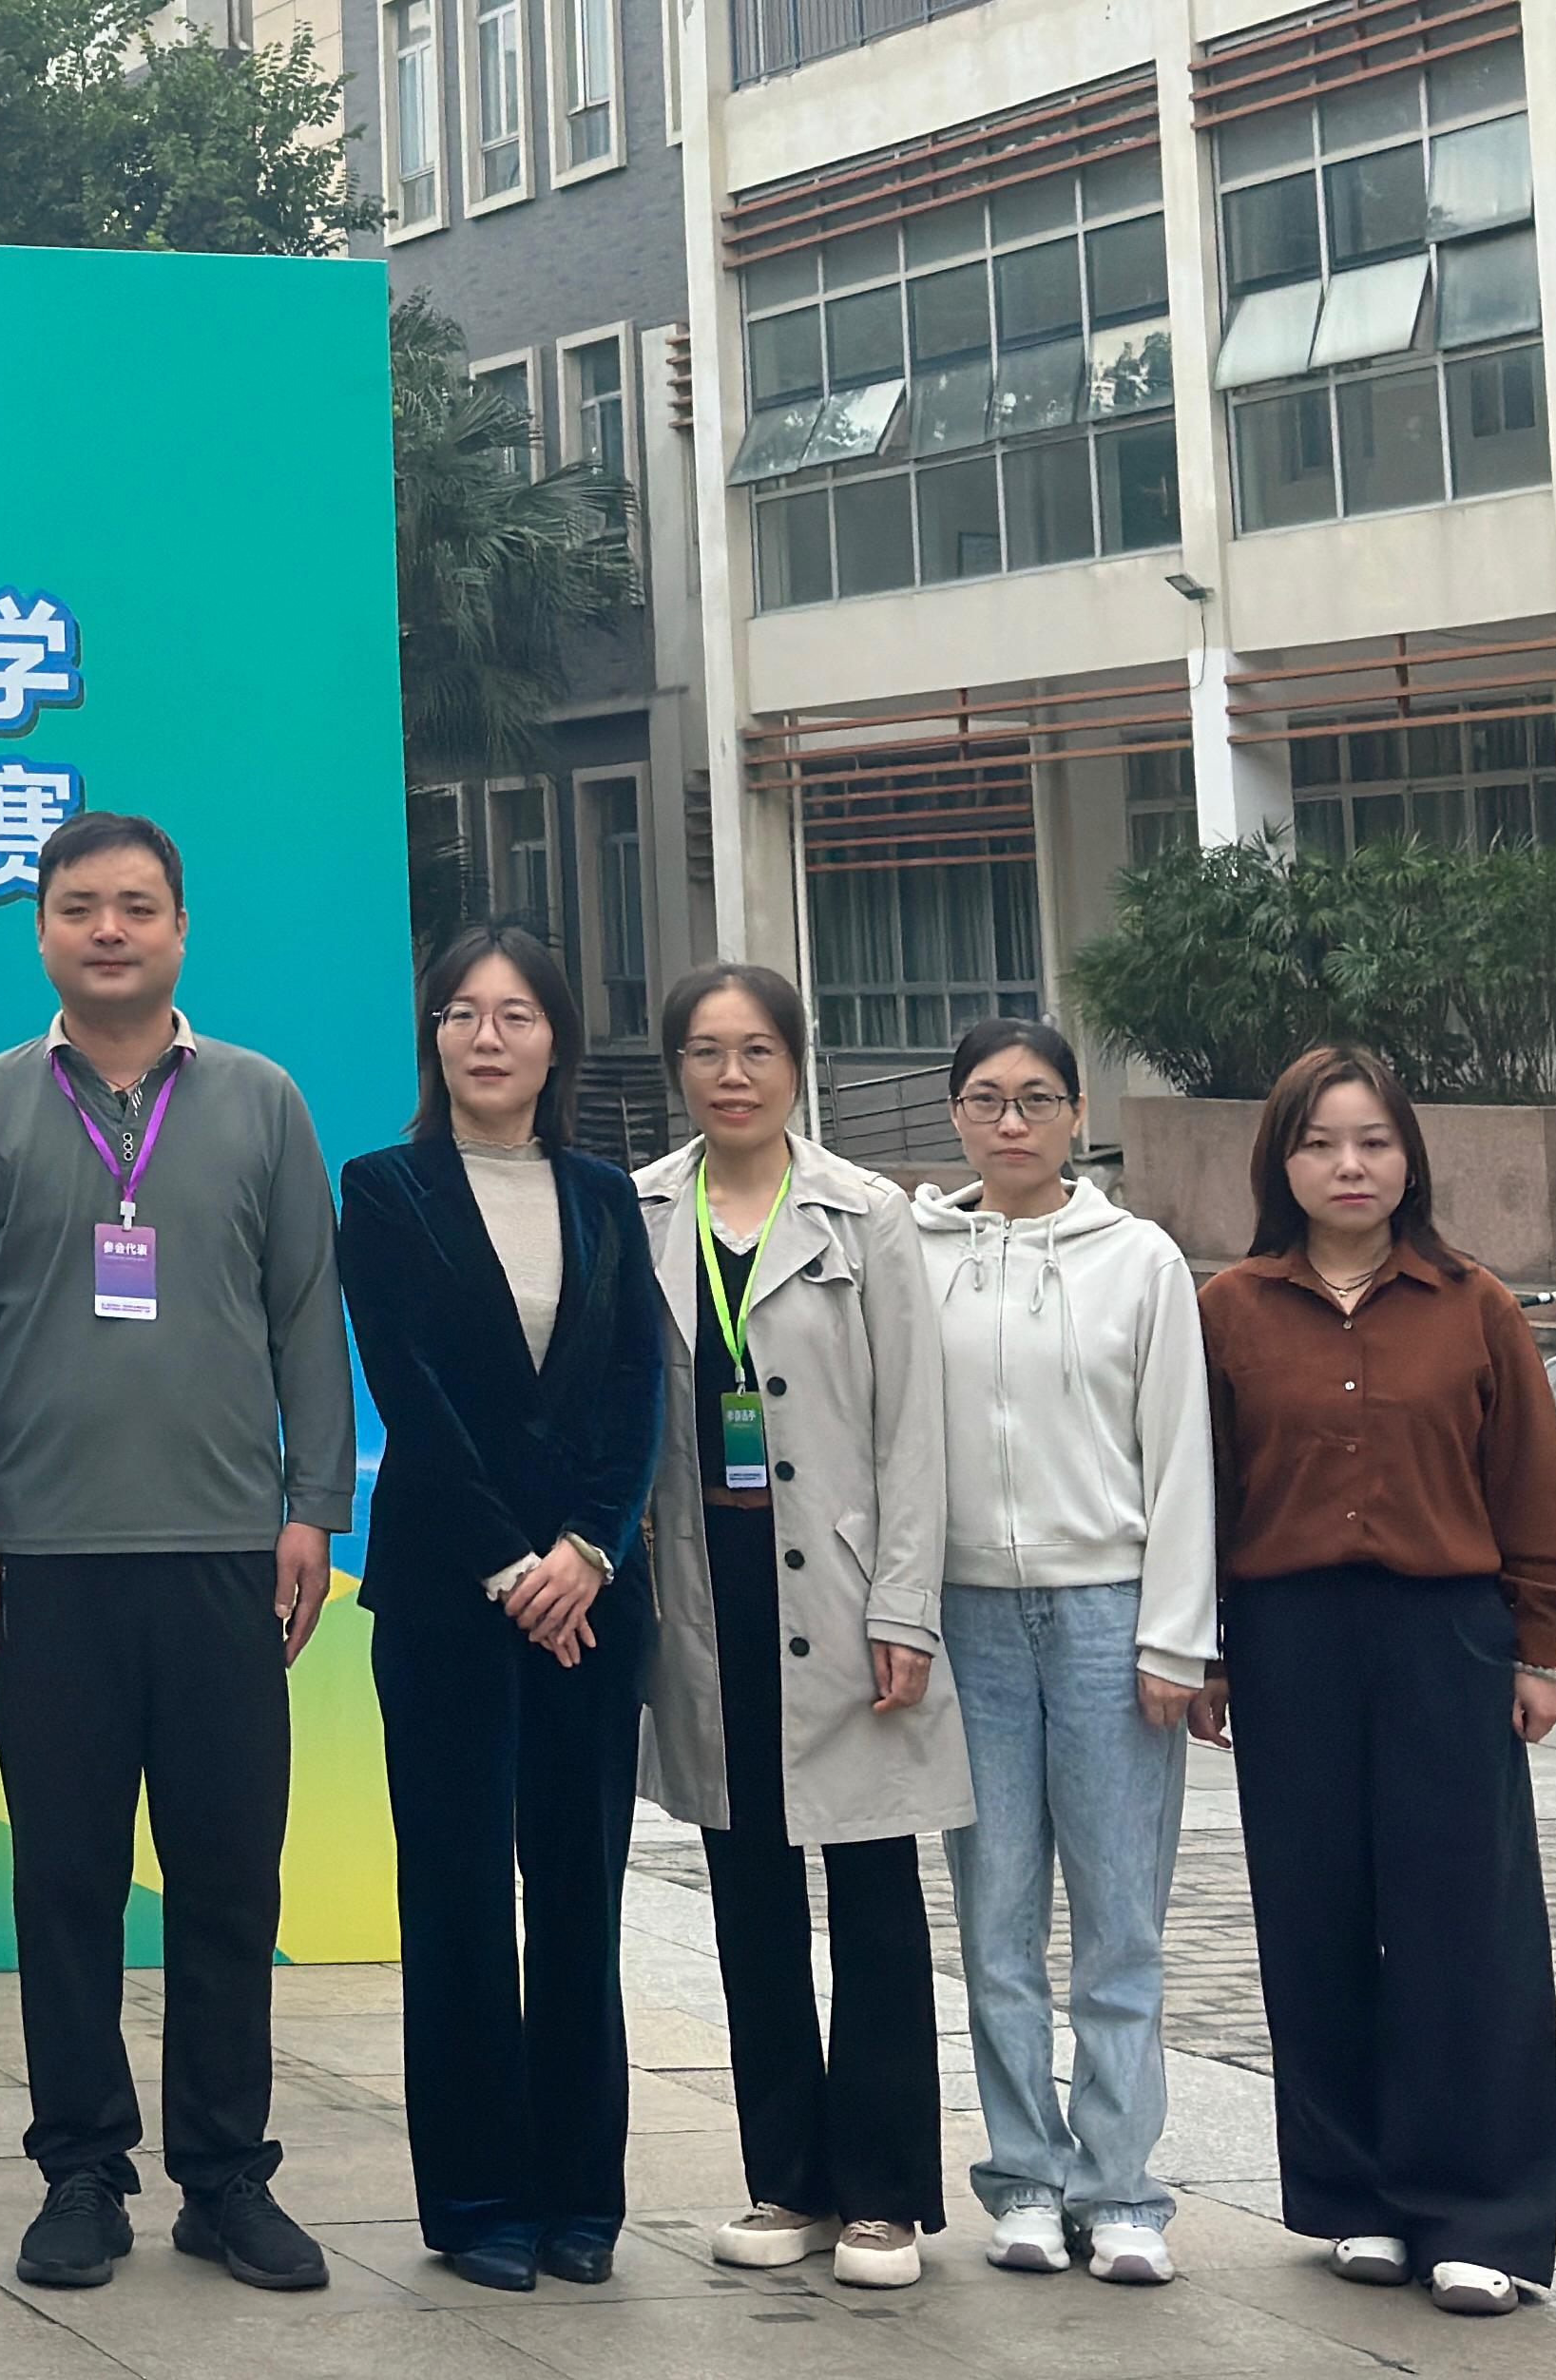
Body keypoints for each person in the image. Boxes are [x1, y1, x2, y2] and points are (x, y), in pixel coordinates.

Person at [0, 808, 351, 2301]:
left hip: (230, 1551)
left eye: (137, 906)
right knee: (67, 1883)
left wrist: (313, 1505)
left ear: (180, 929)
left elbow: (307, 1312)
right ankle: (83, 2173)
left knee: (229, 1880)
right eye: (80, 907)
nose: (109, 929)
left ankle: (226, 2178)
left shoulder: (261, 1100)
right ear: (42, 928)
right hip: (43, 1558)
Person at [1190, 1044, 1556, 2321]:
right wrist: (1206, 1649)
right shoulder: (1231, 1307)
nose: (1348, 1166)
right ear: (1281, 1163)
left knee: (1466, 1929)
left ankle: (1482, 2215)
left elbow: (1528, 1482)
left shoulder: (1474, 1304)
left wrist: (1536, 1644)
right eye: (1320, 1143)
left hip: (1444, 1636)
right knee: (1313, 1917)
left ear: (1410, 1158)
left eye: (1373, 1141)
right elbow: (1205, 1487)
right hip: (1288, 1637)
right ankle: (1353, 2195)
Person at [335, 921, 659, 2295]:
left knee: (579, 1898)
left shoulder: (604, 1193)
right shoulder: (385, 1188)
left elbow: (638, 1387)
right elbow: (412, 1392)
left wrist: (589, 1548)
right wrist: (512, 1566)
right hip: (449, 1599)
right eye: (463, 1013)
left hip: (590, 1601)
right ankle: (477, 2202)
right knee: (460, 1898)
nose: (487, 1036)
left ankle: (584, 2195)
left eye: (515, 1014)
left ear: (555, 1040)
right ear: (435, 1037)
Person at [635, 959, 965, 2291]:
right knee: (749, 1896)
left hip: (840, 1590)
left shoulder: (866, 1214)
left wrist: (907, 1607)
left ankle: (884, 2197)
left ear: (796, 1062)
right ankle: (787, 2182)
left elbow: (913, 1425)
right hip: (707, 1593)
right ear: (677, 1068)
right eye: (707, 1052)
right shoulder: (641, 1210)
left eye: (757, 1050)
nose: (732, 1076)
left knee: (875, 1892)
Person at [912, 1014, 1212, 2288]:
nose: (1012, 1121)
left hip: (1107, 1614)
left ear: (1080, 1114)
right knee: (994, 1923)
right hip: (969, 1620)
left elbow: (1183, 1450)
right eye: (986, 1099)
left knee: (1119, 1921)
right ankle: (1026, 2179)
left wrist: (1177, 1637)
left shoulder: (1140, 1260)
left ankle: (1123, 2188)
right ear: (955, 1116)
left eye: (1037, 1098)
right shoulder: (917, 1257)